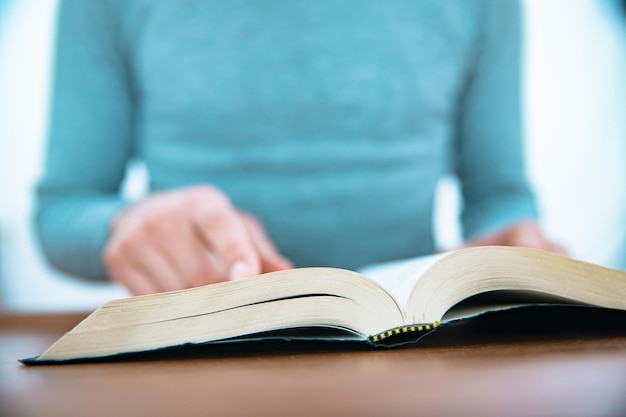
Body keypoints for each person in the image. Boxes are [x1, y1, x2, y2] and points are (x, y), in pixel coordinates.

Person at [35, 0, 565, 296]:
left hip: (412, 351)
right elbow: (62, 210)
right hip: (192, 357)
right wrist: (126, 225)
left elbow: (499, 195)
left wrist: (517, 240)